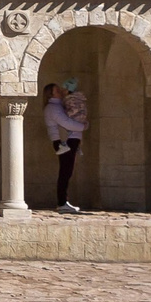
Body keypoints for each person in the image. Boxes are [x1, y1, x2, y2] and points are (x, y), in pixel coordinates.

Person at [44, 80, 88, 212]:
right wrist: (84, 126)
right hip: (65, 141)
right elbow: (66, 123)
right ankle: (62, 202)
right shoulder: (53, 108)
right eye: (57, 91)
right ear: (51, 95)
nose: (60, 92)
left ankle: (64, 201)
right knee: (65, 172)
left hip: (68, 141)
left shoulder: (58, 106)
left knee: (67, 171)